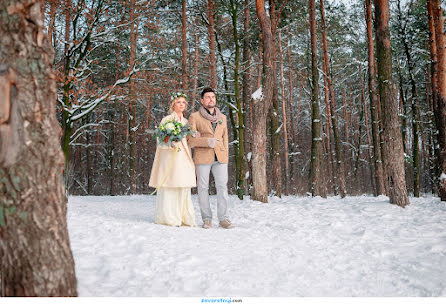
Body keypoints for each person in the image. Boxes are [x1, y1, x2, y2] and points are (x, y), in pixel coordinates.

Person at [187, 88, 234, 229]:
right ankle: (207, 219)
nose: (211, 99)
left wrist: (225, 155)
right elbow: (190, 140)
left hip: (220, 157)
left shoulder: (222, 117)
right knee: (202, 188)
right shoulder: (194, 117)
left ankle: (223, 219)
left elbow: (225, 137)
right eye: (207, 97)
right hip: (202, 157)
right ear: (202, 100)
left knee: (222, 188)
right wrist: (206, 141)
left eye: (213, 97)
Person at [149, 93, 197, 227]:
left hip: (184, 157)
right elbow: (160, 139)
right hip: (171, 157)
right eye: (178, 102)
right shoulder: (166, 120)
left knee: (183, 185)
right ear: (173, 104)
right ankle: (169, 217)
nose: (181, 105)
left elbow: (188, 139)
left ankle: (183, 217)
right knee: (170, 185)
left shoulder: (186, 122)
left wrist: (195, 135)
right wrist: (170, 143)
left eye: (183, 102)